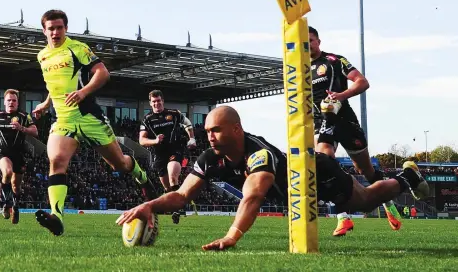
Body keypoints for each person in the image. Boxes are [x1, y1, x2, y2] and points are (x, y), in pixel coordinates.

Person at [116, 106, 429, 251]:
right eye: (207, 130)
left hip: (315, 173)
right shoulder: (209, 158)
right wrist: (151, 206)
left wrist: (232, 236)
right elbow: (182, 196)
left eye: (216, 130)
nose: (209, 136)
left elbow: (253, 196)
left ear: (236, 130)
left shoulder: (258, 153)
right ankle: (407, 177)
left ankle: (407, 177)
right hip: (291, 192)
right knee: (365, 201)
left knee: (366, 201)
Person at [31, 9, 157, 236]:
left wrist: (83, 92)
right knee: (57, 160)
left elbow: (103, 73)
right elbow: (54, 85)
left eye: (59, 27)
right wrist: (45, 103)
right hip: (64, 119)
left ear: (66, 28)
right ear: (44, 31)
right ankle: (57, 217)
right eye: (51, 28)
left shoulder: (77, 49)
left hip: (89, 117)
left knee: (119, 164)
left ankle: (143, 177)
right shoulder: (42, 56)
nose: (55, 32)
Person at [308, 26, 403, 236]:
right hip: (321, 122)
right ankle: (343, 217)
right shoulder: (297, 69)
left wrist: (342, 95)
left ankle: (387, 203)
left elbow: (362, 82)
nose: (308, 45)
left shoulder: (334, 61)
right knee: (324, 161)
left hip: (345, 120)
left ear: (319, 41)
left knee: (365, 170)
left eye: (311, 40)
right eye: (304, 42)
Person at [139, 89, 196, 224]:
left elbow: (187, 123)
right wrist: (155, 141)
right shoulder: (147, 120)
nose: (156, 104)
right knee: (167, 188)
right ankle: (176, 203)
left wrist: (192, 138)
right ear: (150, 103)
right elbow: (141, 140)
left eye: (158, 101)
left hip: (175, 150)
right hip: (158, 154)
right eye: (154, 102)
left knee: (173, 176)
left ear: (162, 101)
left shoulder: (174, 114)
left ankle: (179, 208)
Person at [0, 89, 38, 224]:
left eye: (14, 100)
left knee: (16, 186)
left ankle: (15, 206)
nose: (11, 102)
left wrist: (22, 128)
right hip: (3, 152)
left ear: (17, 102)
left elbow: (35, 131)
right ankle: (6, 203)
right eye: (9, 100)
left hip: (19, 154)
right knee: (7, 173)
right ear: (4, 102)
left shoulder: (24, 116)